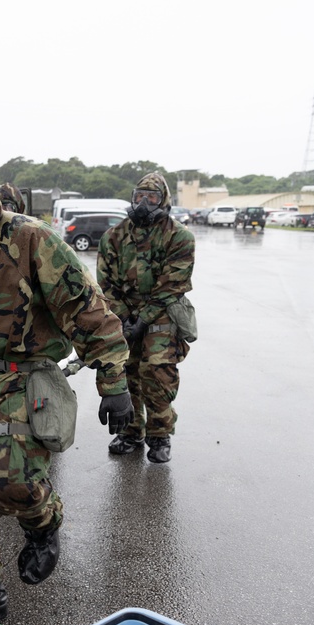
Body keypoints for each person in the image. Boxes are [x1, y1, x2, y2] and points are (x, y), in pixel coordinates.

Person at [0, 156, 133, 622]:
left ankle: (44, 522)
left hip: (22, 376)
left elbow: (87, 310)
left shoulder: (30, 239)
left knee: (7, 482)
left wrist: (114, 382)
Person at [96, 171, 195, 464]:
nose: (143, 203)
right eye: (139, 197)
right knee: (127, 375)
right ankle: (130, 433)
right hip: (124, 315)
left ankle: (159, 435)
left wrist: (144, 320)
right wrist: (124, 317)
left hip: (162, 314)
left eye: (151, 198)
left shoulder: (180, 237)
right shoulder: (113, 236)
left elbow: (173, 284)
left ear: (163, 200)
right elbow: (105, 282)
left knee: (158, 375)